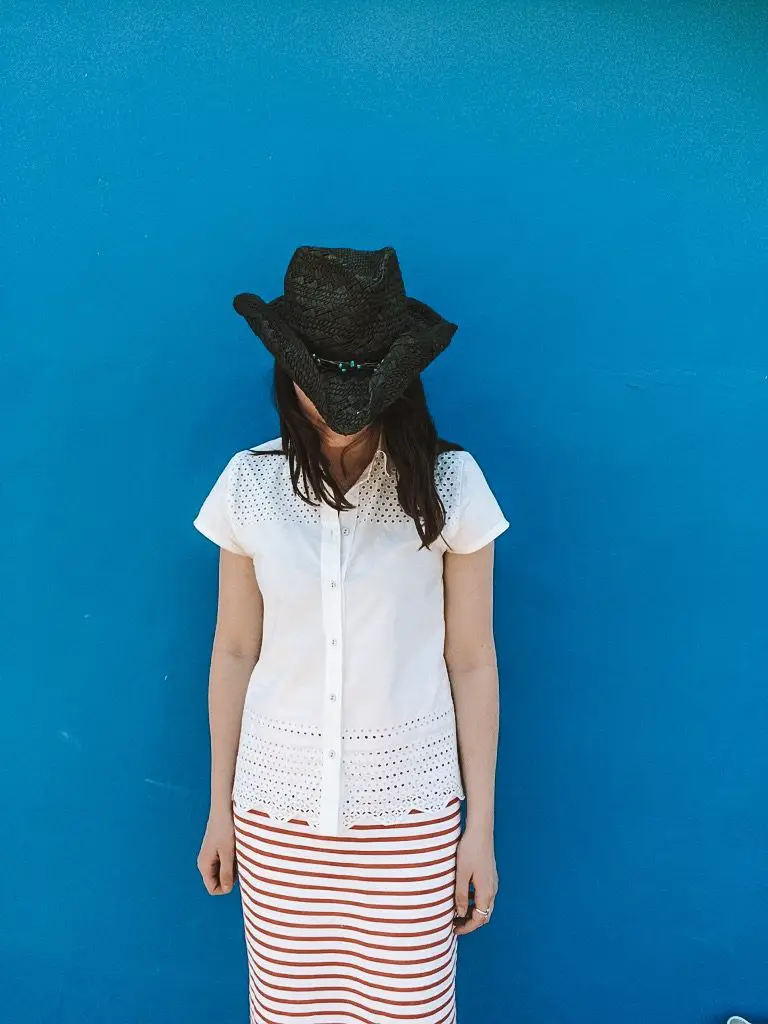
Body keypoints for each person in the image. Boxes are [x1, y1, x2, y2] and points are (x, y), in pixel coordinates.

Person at [192, 245, 509, 1024]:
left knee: (410, 1010)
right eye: (315, 384)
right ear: (286, 372)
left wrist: (481, 830)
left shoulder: (450, 486)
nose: (334, 408)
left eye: (359, 388)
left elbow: (471, 661)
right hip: (277, 815)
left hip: (409, 821)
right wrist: (218, 807)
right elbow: (235, 650)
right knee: (289, 1011)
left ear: (396, 382)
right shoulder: (249, 486)